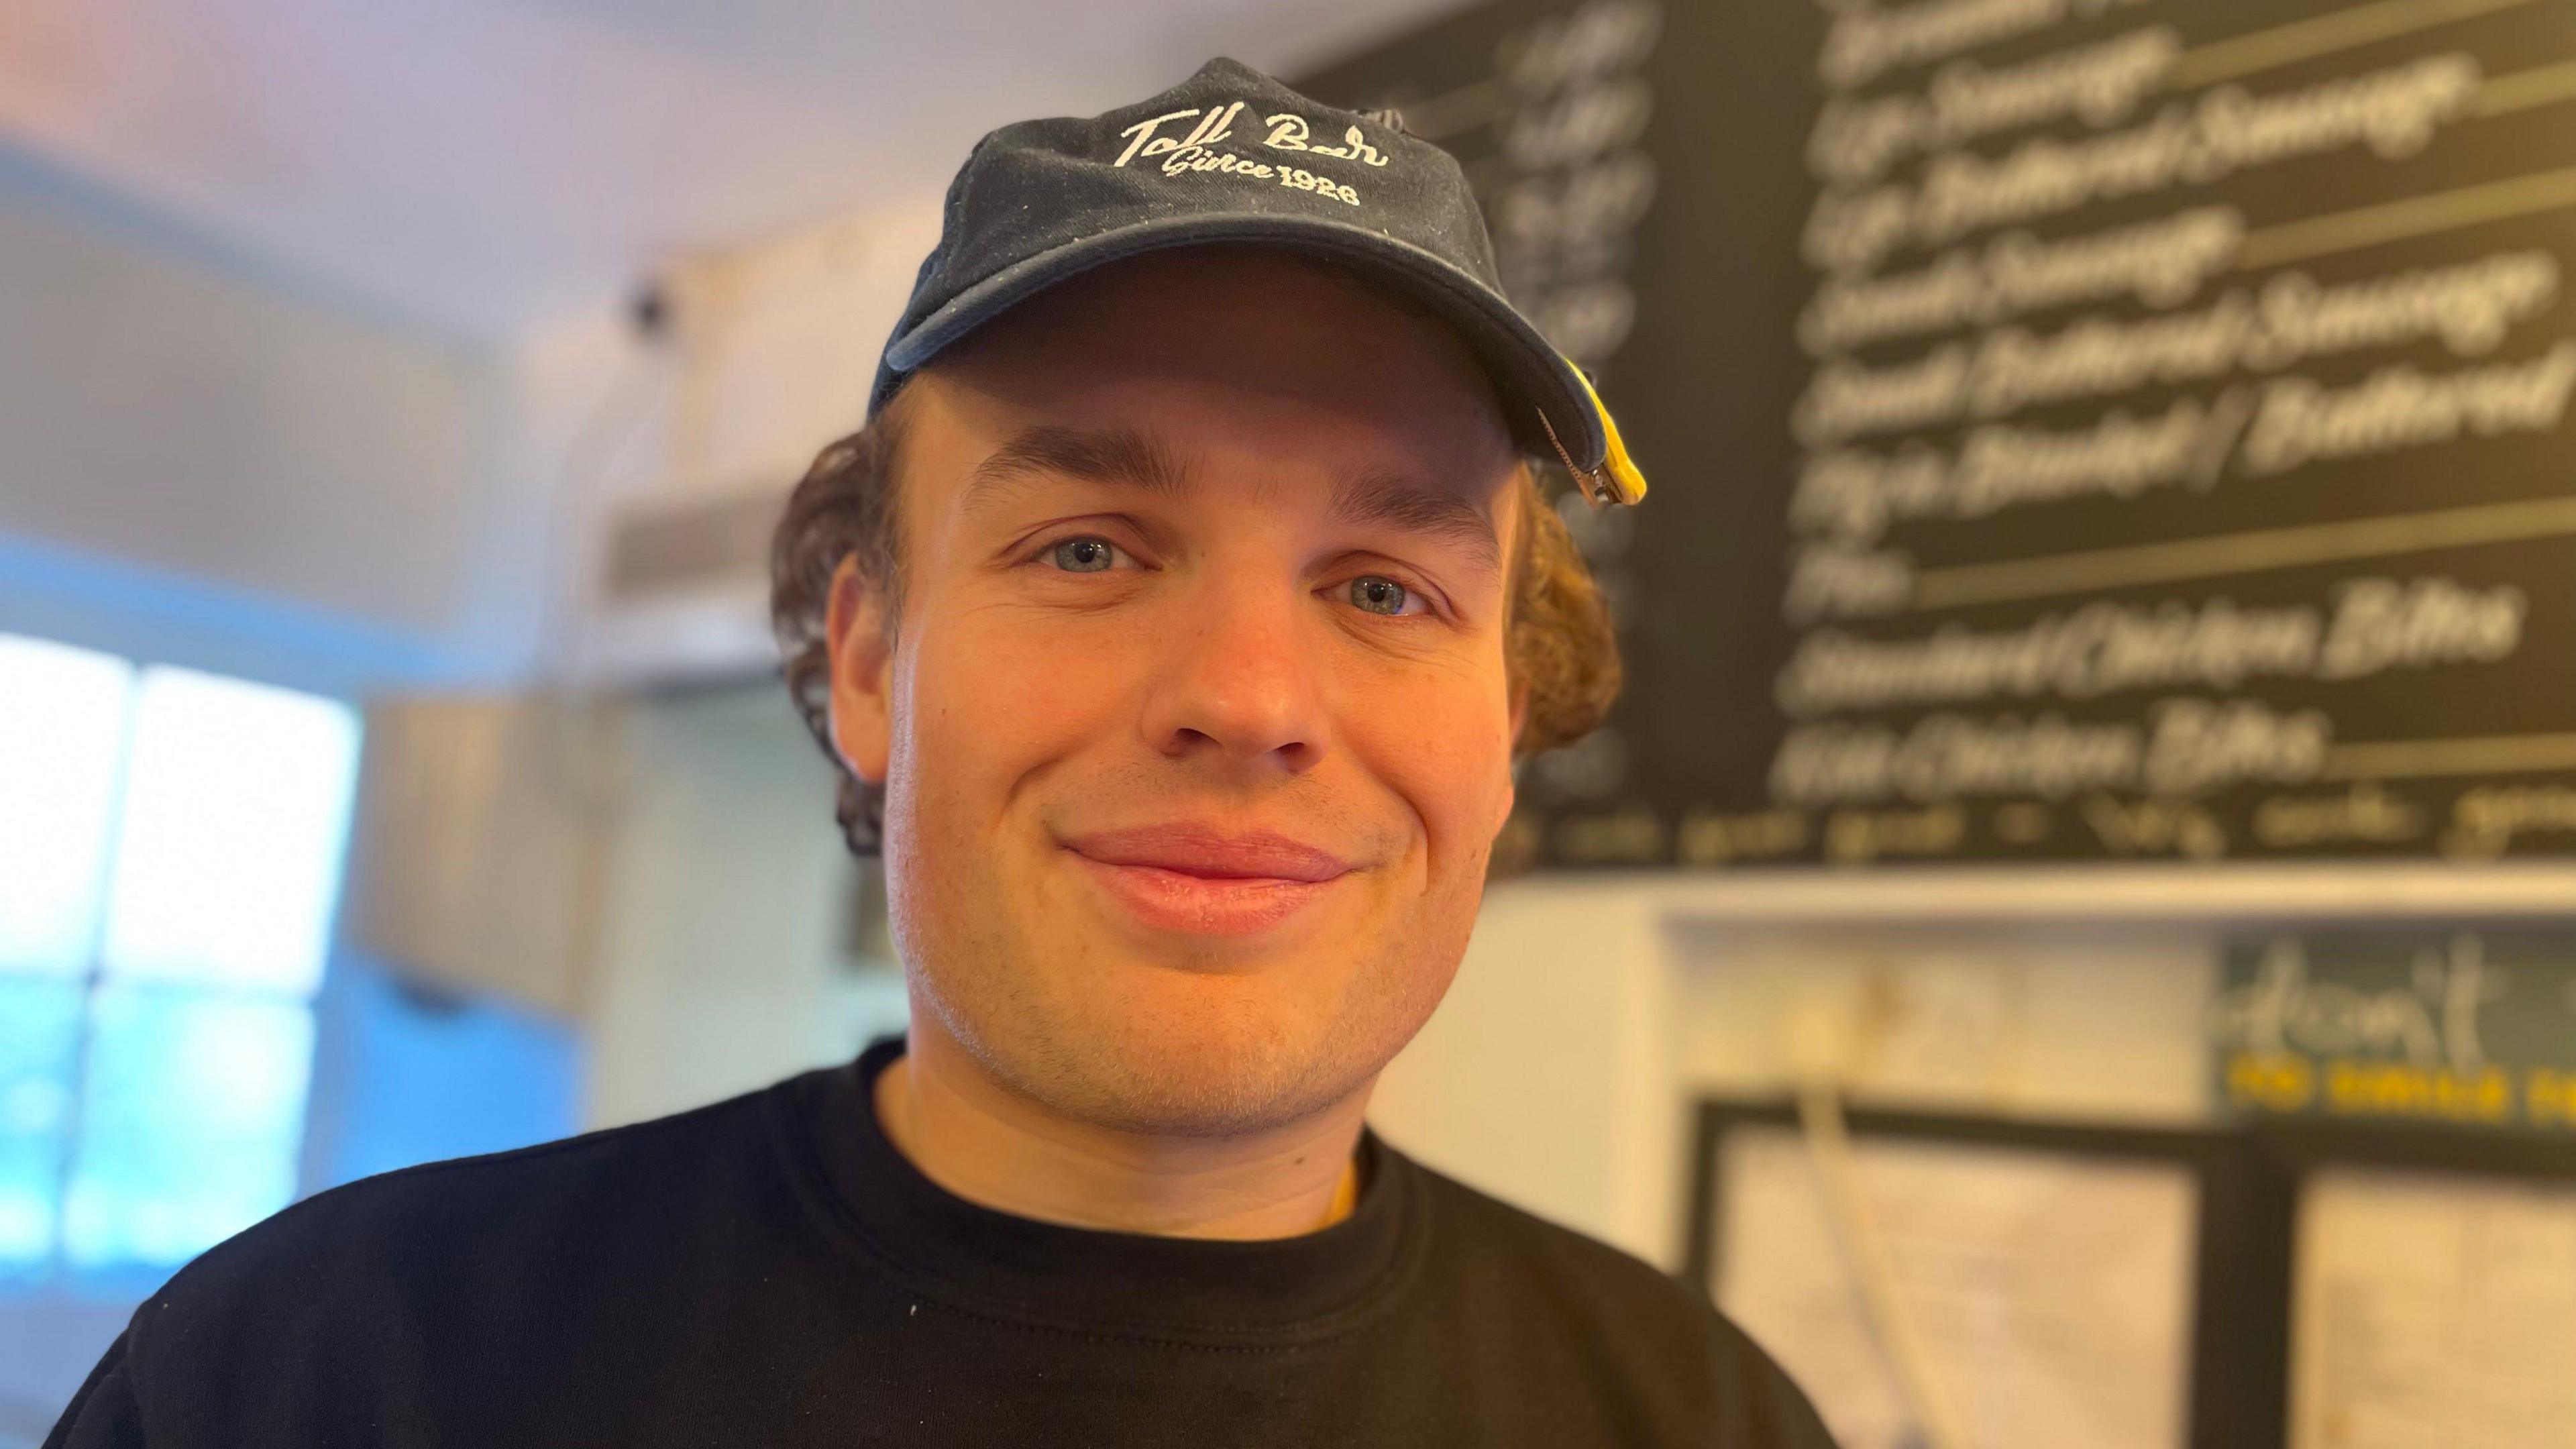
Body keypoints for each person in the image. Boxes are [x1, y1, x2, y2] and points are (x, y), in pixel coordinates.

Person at [48, 58, 1832, 1448]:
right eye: (1090, 549)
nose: (1248, 697)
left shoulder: (1702, 1419)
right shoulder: (316, 1374)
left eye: (1382, 586)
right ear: (869, 664)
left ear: (1501, 732)